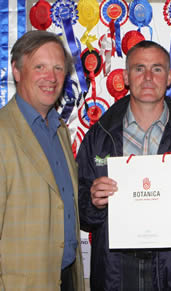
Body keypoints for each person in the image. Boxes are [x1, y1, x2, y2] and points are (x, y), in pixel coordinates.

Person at [76, 40, 171, 290]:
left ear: (169, 77)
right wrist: (93, 201)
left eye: (156, 69)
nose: (147, 77)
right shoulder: (98, 135)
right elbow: (80, 210)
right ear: (126, 77)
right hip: (114, 270)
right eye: (139, 68)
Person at [0, 30, 85, 290]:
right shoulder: (3, 132)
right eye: (40, 67)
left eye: (58, 68)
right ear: (16, 70)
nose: (51, 77)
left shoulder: (58, 130)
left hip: (66, 276)